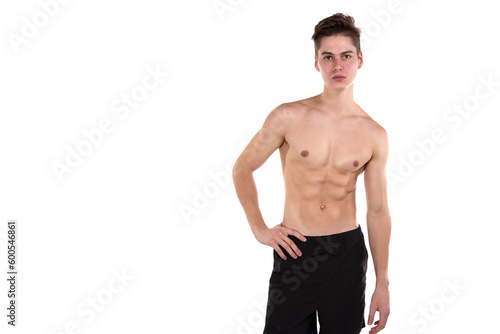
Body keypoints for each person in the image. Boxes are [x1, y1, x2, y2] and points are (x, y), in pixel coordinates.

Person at [232, 13, 391, 334]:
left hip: (346, 252)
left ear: (360, 60)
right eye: (327, 57)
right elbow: (242, 168)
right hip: (296, 248)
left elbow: (377, 211)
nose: (337, 66)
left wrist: (382, 282)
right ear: (316, 63)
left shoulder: (374, 133)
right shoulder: (289, 115)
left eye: (346, 56)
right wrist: (259, 229)